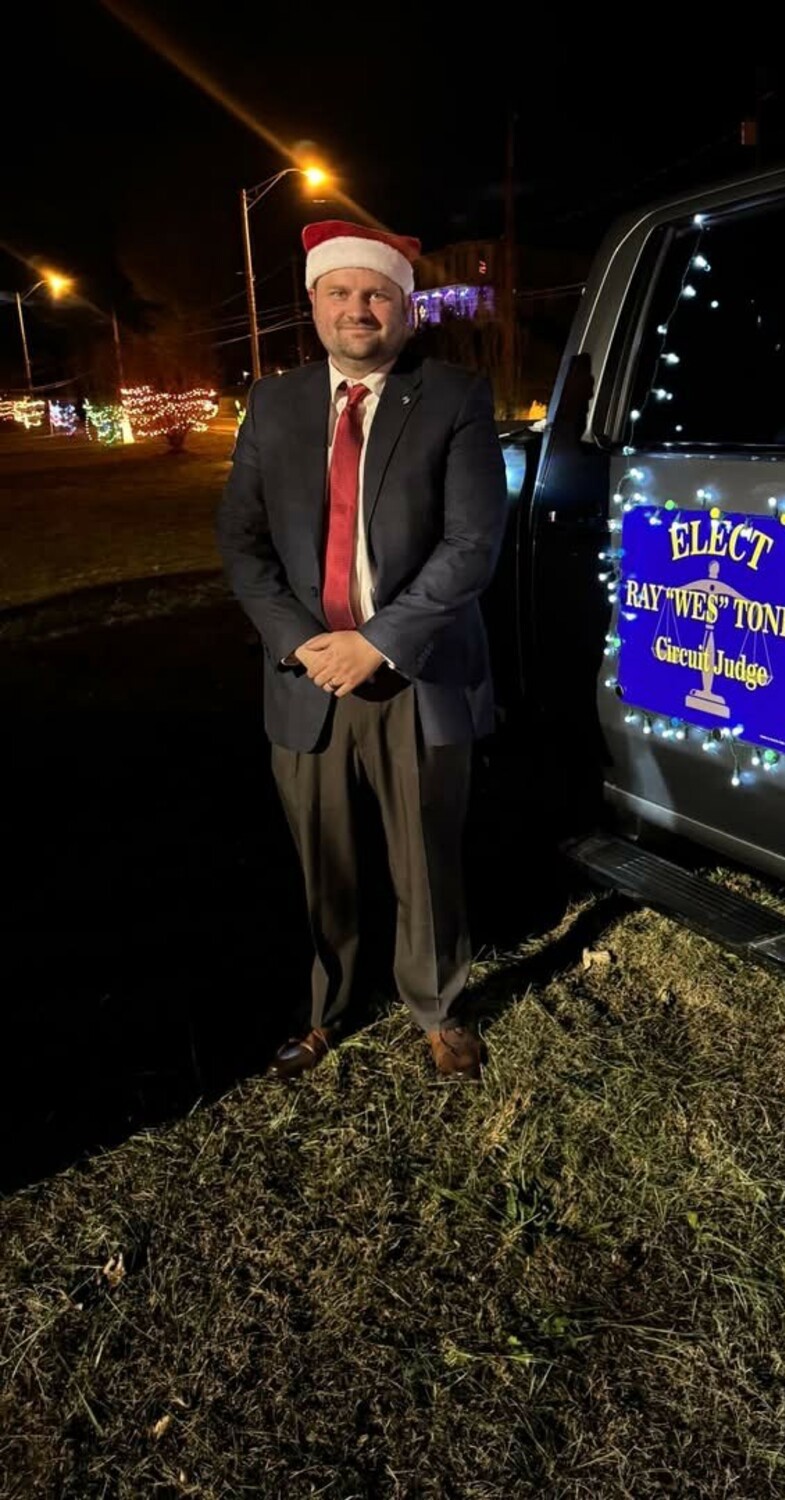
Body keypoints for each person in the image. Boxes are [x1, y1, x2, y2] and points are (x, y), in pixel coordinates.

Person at [215, 219, 509, 1081]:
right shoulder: (274, 403)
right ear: (313, 303)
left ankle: (437, 1007)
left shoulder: (454, 397)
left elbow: (471, 544)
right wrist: (302, 642)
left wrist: (377, 644)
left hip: (416, 674)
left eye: (377, 293)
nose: (358, 309)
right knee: (323, 859)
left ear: (406, 308)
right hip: (306, 675)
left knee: (426, 855)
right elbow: (242, 541)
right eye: (339, 292)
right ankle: (326, 1008)